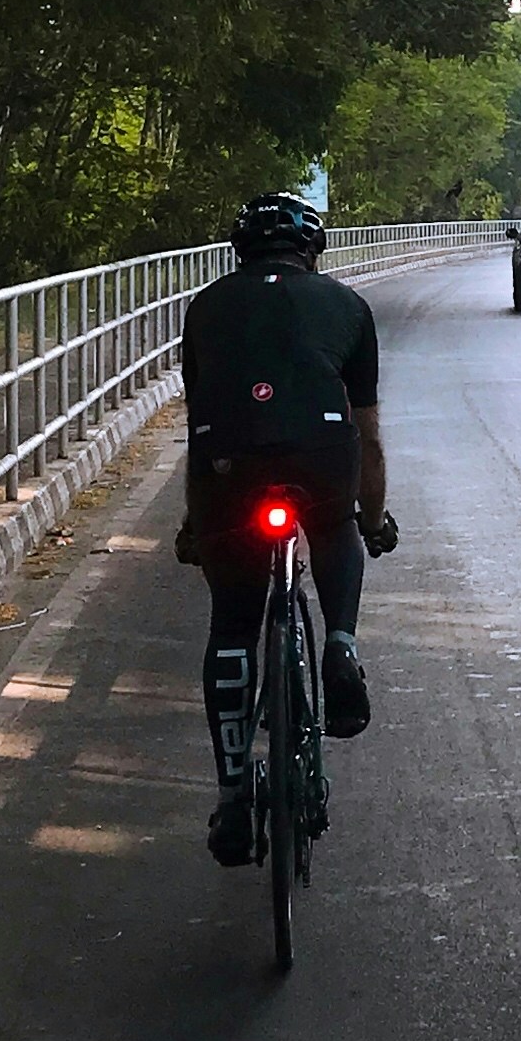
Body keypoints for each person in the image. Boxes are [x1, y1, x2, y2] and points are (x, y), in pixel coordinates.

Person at [173, 193, 398, 867]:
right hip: (322, 453)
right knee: (334, 530)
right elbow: (370, 435)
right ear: (313, 249)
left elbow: (198, 423)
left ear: (240, 250)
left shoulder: (205, 307)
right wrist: (373, 516)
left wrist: (196, 522)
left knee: (234, 622)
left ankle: (235, 793)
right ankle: (341, 644)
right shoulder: (347, 307)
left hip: (228, 460)